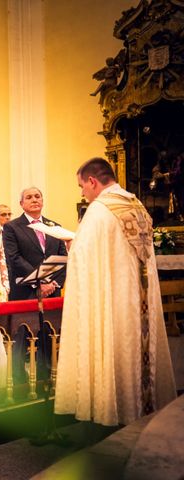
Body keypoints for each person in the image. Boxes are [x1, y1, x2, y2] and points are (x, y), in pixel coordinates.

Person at [55, 157, 176, 427]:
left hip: (113, 304)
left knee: (114, 348)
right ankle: (145, 410)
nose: (82, 193)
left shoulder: (99, 211)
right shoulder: (138, 205)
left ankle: (114, 411)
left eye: (81, 186)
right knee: (137, 352)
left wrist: (71, 247)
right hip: (136, 304)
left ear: (93, 181)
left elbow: (83, 261)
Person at [2, 187, 67, 301]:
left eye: (37, 196)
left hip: (52, 290)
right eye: (29, 197)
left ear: (42, 201)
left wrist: (53, 283)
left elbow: (63, 258)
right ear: (21, 204)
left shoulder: (55, 227)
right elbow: (14, 258)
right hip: (25, 290)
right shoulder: (12, 227)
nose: (34, 200)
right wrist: (40, 282)